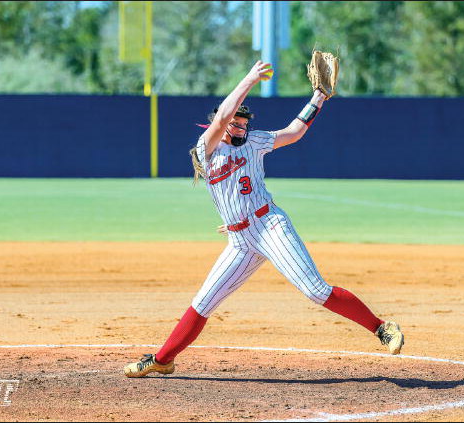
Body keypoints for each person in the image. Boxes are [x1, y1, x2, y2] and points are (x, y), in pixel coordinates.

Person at [123, 60, 404, 378]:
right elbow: (222, 120)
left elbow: (294, 132)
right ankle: (162, 359)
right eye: (236, 124)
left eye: (245, 124)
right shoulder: (207, 149)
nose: (241, 128)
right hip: (240, 241)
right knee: (203, 302)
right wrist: (248, 79)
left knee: (313, 289)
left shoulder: (255, 142)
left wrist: (319, 97)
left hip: (269, 225)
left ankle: (382, 328)